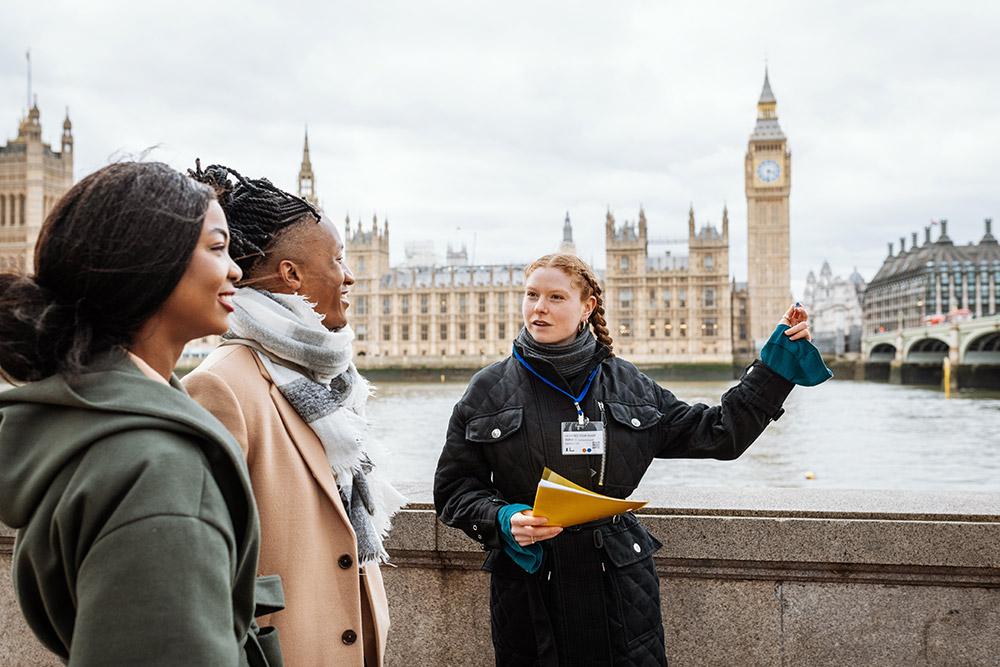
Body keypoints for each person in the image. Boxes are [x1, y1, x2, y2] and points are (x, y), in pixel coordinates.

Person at [434, 253, 825, 666]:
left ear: (587, 307)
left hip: (619, 586)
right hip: (530, 585)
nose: (539, 308)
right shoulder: (488, 389)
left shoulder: (628, 384)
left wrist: (774, 368)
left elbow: (719, 433)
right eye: (531, 295)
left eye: (555, 297)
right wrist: (503, 518)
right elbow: (454, 490)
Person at [0, 162, 282, 665]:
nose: (236, 269)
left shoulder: (79, 422)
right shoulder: (160, 470)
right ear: (151, 262)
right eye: (217, 247)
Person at [184, 162, 404, 667]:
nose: (350, 276)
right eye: (338, 260)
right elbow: (202, 573)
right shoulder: (220, 386)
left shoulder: (332, 381)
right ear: (291, 274)